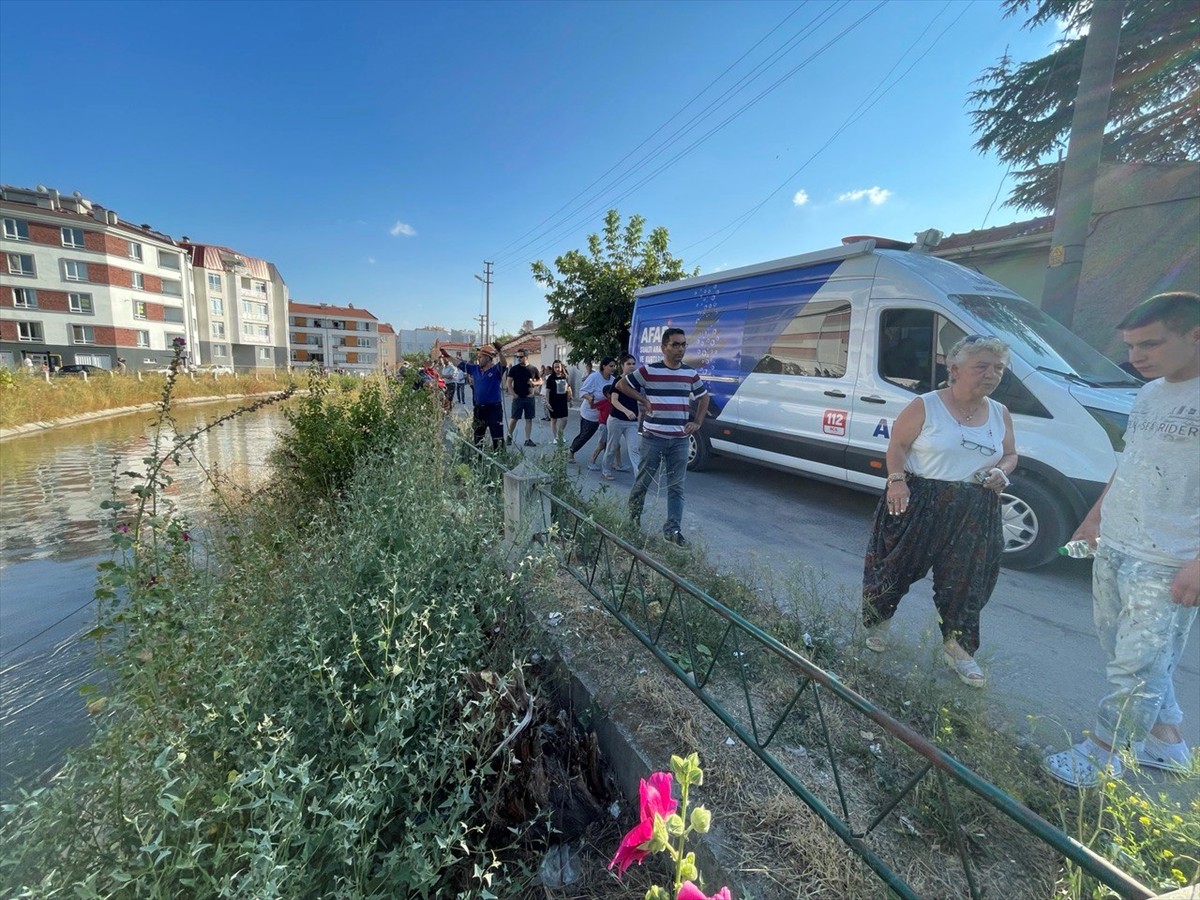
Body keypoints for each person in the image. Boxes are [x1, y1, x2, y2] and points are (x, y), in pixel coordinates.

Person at [1043, 292, 1199, 788]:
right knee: (1123, 650)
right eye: (1131, 347)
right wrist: (1093, 519)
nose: (1136, 358)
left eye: (1150, 344)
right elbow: (1128, 463)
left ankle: (1105, 754)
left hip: (1169, 558)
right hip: (1117, 542)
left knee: (1136, 664)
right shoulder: (1151, 393)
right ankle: (1167, 741)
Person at [860, 335, 1017, 688]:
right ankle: (878, 621)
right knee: (894, 567)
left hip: (975, 506)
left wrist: (1002, 470)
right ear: (955, 369)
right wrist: (896, 481)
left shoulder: (999, 412)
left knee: (966, 580)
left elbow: (1010, 453)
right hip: (920, 498)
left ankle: (958, 648)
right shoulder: (925, 405)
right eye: (982, 367)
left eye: (998, 368)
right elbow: (897, 445)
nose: (991, 375)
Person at [617, 329, 710, 545]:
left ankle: (673, 530)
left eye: (683, 345)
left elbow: (703, 397)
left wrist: (697, 422)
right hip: (653, 438)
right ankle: (632, 522)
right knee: (643, 482)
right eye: (675, 345)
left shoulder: (690, 374)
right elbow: (622, 385)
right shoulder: (649, 371)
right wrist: (643, 399)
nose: (680, 349)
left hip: (679, 440)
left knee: (676, 487)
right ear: (663, 347)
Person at [443, 342, 507, 448]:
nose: (478, 359)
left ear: (488, 358)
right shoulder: (475, 369)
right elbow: (459, 363)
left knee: (497, 437)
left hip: (494, 409)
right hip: (479, 409)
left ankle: (500, 458)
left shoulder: (496, 370)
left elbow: (504, 364)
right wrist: (447, 356)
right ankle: (478, 460)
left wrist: (500, 351)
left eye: (481, 357)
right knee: (478, 437)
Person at [568, 357, 616, 463]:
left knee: (608, 437)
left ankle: (608, 460)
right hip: (591, 412)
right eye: (610, 366)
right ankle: (571, 451)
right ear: (604, 366)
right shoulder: (594, 377)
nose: (613, 368)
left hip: (606, 413)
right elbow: (582, 391)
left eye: (614, 366)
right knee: (585, 435)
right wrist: (589, 398)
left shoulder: (613, 380)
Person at [604, 354, 640, 478]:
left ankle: (639, 476)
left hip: (632, 422)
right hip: (617, 420)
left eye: (633, 364)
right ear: (622, 366)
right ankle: (606, 470)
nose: (631, 366)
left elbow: (637, 399)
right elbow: (614, 400)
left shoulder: (636, 381)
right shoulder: (617, 381)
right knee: (612, 447)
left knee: (634, 449)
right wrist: (626, 411)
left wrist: (640, 412)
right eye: (628, 364)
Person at [505, 350, 541, 447]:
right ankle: (509, 435)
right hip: (518, 397)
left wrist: (535, 383)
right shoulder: (514, 369)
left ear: (526, 356)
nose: (519, 359)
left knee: (529, 419)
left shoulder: (533, 369)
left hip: (529, 397)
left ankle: (527, 439)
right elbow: (509, 382)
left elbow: (540, 380)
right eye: (518, 357)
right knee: (514, 418)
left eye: (521, 357)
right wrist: (513, 394)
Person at [544, 360, 573, 444]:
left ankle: (560, 434)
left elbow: (568, 388)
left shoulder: (565, 376)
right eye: (555, 367)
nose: (557, 369)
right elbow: (547, 391)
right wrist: (547, 402)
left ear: (561, 367)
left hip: (563, 401)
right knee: (554, 420)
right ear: (553, 368)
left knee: (565, 419)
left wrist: (570, 398)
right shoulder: (551, 378)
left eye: (558, 367)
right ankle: (556, 437)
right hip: (553, 401)